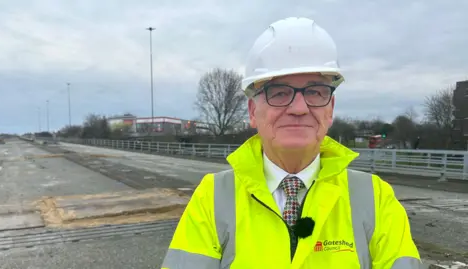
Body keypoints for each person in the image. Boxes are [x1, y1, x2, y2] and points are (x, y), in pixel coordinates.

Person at [161, 17, 422, 269]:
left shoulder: (375, 199)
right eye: (279, 92)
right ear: (253, 111)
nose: (299, 108)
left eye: (314, 92)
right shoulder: (213, 197)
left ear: (330, 108)